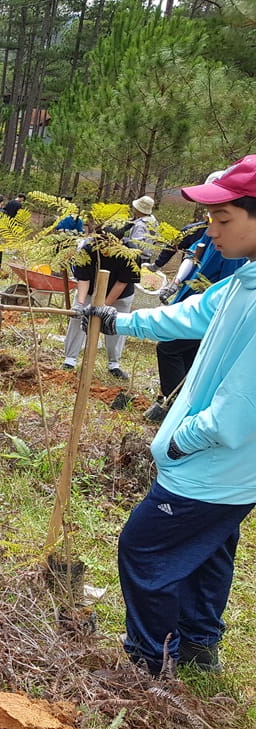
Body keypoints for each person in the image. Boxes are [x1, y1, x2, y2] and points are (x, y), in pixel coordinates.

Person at [82, 154, 256, 676]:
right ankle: (200, 645)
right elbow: (192, 314)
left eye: (224, 220)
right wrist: (118, 322)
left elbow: (241, 405)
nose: (212, 231)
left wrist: (182, 441)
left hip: (212, 462)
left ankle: (150, 662)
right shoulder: (244, 281)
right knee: (209, 551)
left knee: (145, 550)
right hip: (233, 472)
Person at [142, 215, 245, 423]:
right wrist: (176, 283)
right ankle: (175, 403)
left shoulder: (234, 248)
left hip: (205, 312)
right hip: (191, 303)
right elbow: (191, 257)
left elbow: (227, 283)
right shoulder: (205, 232)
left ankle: (174, 408)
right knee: (189, 354)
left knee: (168, 348)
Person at [59, 230, 139, 380]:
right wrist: (81, 304)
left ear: (119, 241)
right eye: (101, 244)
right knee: (77, 319)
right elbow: (83, 279)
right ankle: (70, 360)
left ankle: (114, 364)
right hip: (90, 291)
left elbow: (122, 282)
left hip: (119, 296)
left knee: (116, 325)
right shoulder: (87, 249)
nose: (105, 249)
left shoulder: (130, 253)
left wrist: (103, 306)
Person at [126, 195, 160, 264]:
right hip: (147, 258)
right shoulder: (153, 221)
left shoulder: (140, 225)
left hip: (137, 259)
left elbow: (135, 245)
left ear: (138, 210)